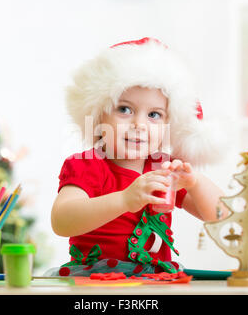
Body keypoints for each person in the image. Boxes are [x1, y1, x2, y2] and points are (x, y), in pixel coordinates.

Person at [49, 37, 227, 277]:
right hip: (96, 280)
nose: (139, 124)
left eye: (154, 114)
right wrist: (124, 200)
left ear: (168, 125)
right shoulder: (88, 164)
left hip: (154, 280)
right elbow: (62, 221)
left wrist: (195, 182)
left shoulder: (162, 168)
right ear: (99, 116)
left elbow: (222, 217)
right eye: (124, 109)